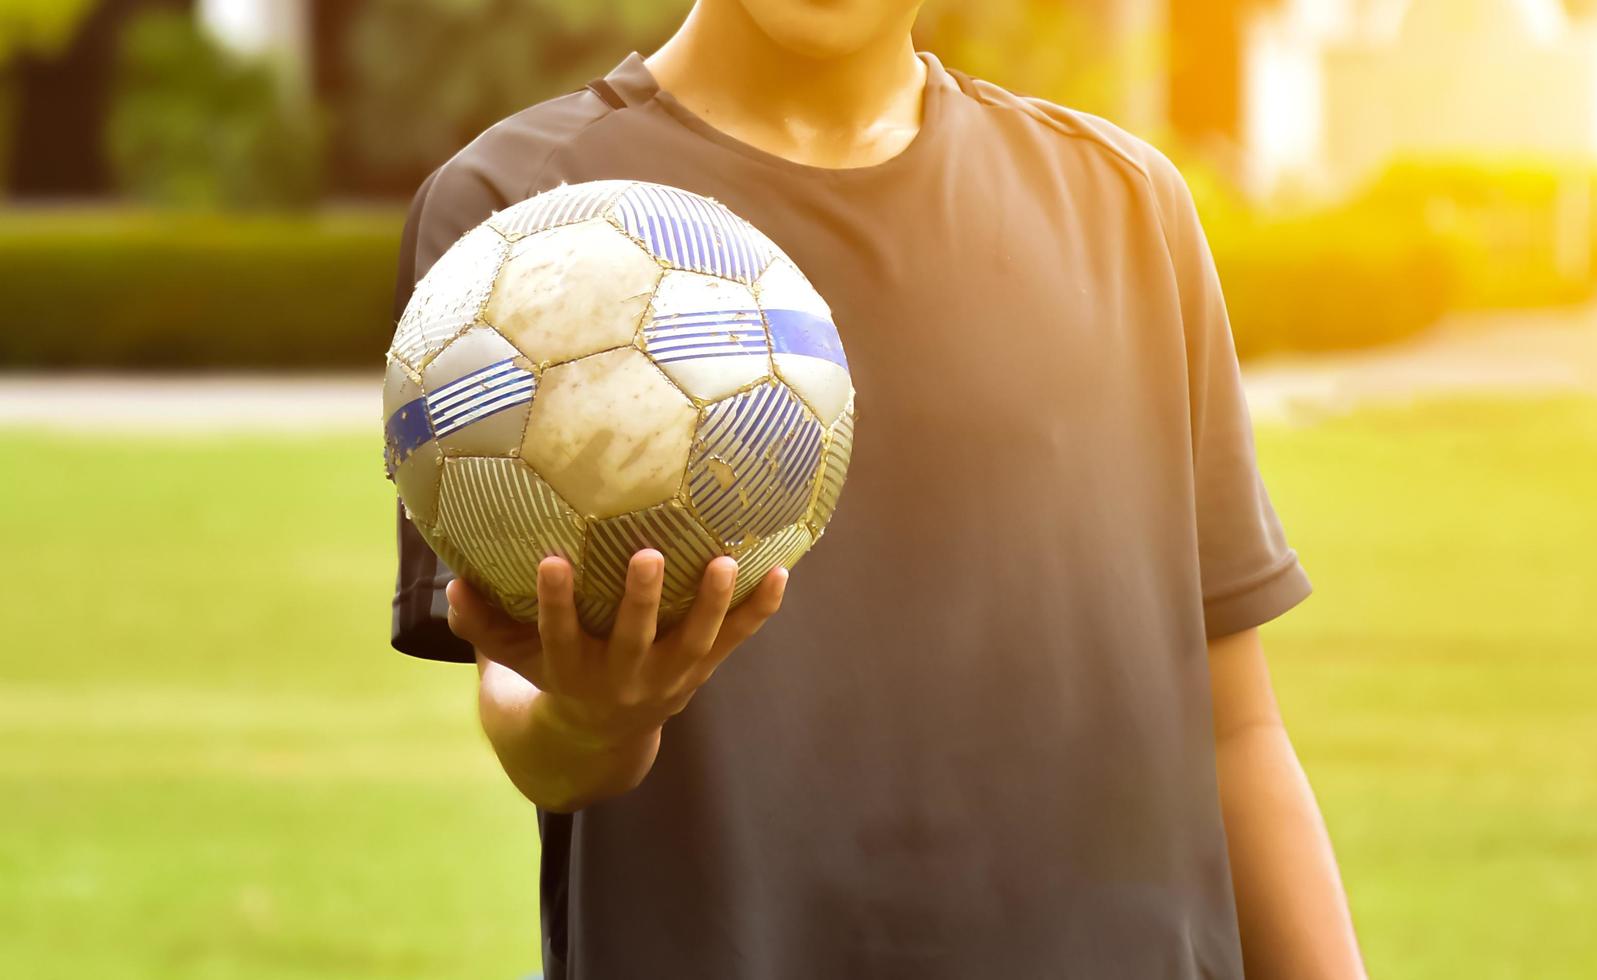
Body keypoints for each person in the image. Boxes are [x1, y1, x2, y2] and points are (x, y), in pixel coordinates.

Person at [389, 1, 1369, 976]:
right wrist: (596, 719)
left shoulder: (1120, 203)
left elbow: (1235, 727)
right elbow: (529, 712)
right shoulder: (517, 213)